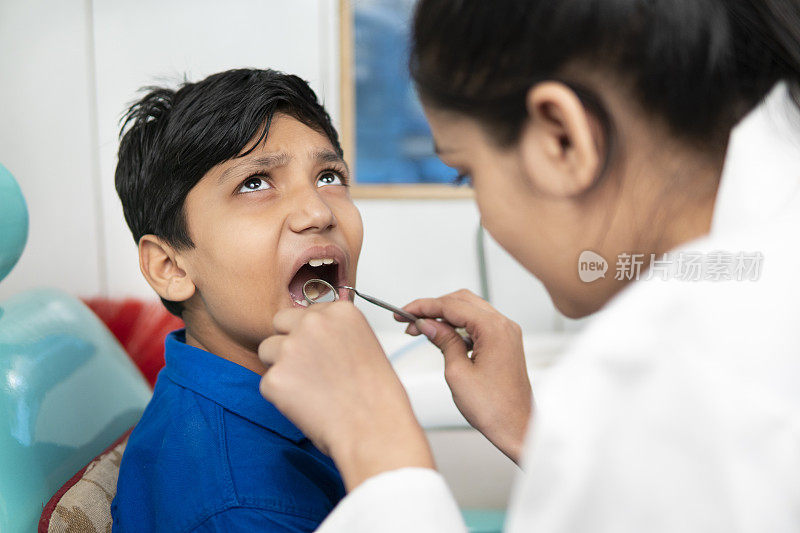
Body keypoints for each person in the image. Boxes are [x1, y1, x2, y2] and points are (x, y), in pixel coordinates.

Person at [256, 1, 800, 531]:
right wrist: (525, 429)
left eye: (466, 174)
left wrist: (377, 444)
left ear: (561, 139)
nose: (316, 214)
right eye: (255, 184)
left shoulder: (673, 358)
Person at [111, 68, 363, 531]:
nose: (318, 211)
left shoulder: (306, 393)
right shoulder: (242, 510)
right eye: (255, 183)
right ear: (171, 267)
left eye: (328, 176)